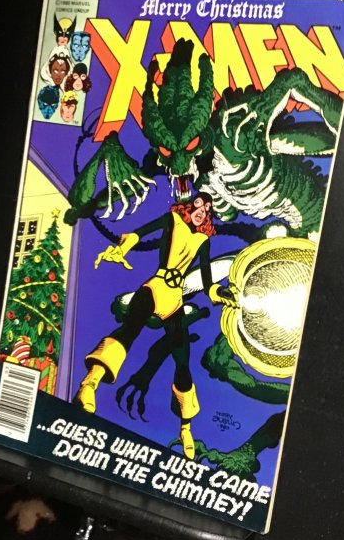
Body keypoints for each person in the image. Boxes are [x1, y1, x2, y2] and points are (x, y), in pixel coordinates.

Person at [75, 193, 237, 459]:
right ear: (190, 206)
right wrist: (121, 249)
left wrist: (219, 293)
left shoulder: (203, 240)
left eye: (208, 208)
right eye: (199, 204)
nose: (203, 210)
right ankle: (89, 384)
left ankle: (185, 429)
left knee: (182, 361)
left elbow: (208, 282)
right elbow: (138, 234)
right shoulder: (173, 219)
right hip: (155, 288)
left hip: (175, 300)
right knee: (128, 333)